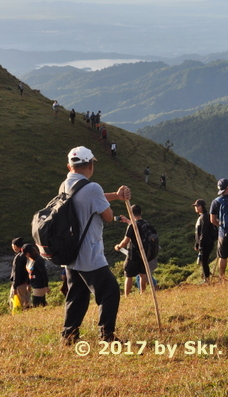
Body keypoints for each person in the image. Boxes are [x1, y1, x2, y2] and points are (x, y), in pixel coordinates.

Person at [60, 146, 131, 344]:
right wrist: (115, 200)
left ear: (69, 166)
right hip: (89, 252)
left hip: (71, 253)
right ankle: (107, 336)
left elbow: (89, 198)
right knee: (109, 291)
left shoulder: (65, 185)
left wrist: (115, 196)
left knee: (77, 295)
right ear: (90, 165)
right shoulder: (93, 188)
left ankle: (69, 336)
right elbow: (108, 217)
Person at [114, 204, 156, 297]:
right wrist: (127, 221)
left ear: (130, 213)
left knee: (128, 274)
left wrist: (118, 246)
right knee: (142, 274)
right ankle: (143, 294)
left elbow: (126, 241)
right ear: (141, 212)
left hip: (133, 254)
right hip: (144, 253)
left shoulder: (132, 225)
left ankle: (127, 296)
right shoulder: (145, 223)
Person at [194, 199, 217, 283]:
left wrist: (200, 244)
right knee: (203, 261)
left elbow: (203, 232)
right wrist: (197, 244)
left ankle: (206, 279)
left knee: (203, 260)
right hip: (203, 243)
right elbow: (198, 233)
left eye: (198, 206)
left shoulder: (204, 217)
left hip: (206, 243)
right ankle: (206, 276)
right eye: (195, 206)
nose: (196, 208)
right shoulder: (201, 217)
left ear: (202, 207)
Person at [9, 237, 30, 310]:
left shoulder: (18, 258)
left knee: (16, 304)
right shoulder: (28, 255)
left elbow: (16, 273)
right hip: (27, 284)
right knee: (27, 303)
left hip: (19, 285)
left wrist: (14, 286)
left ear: (15, 246)